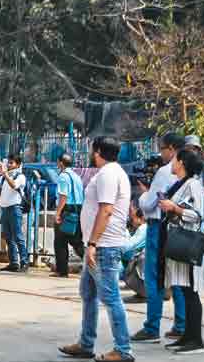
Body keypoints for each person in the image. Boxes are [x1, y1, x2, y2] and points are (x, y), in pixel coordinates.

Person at [59, 136, 134, 362]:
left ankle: (123, 349)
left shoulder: (109, 174)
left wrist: (92, 244)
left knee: (110, 297)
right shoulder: (111, 173)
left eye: (93, 151)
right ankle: (85, 343)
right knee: (89, 293)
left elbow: (106, 210)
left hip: (103, 247)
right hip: (99, 245)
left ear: (99, 151)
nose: (92, 155)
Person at [133, 132, 186, 344]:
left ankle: (151, 327)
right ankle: (181, 325)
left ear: (171, 149)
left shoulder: (165, 172)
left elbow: (148, 204)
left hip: (159, 227)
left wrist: (145, 192)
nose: (161, 152)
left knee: (154, 277)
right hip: (179, 228)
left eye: (162, 148)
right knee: (179, 278)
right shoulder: (191, 172)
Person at [159, 149, 204, 354]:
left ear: (181, 162)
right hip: (179, 242)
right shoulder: (182, 183)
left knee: (191, 292)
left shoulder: (194, 184)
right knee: (185, 290)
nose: (171, 162)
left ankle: (196, 340)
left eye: (174, 159)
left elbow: (197, 215)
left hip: (189, 245)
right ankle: (187, 335)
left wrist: (174, 208)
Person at [54, 153, 85, 277]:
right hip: (78, 209)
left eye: (57, 162)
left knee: (60, 241)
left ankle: (62, 271)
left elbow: (63, 196)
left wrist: (58, 213)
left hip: (66, 209)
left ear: (61, 163)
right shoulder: (76, 176)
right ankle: (93, 262)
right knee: (76, 240)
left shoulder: (63, 176)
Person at [0, 155, 28, 272]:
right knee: (8, 237)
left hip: (15, 209)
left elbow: (14, 185)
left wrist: (5, 174)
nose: (9, 165)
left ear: (18, 165)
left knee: (18, 236)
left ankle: (24, 262)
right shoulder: (4, 177)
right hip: (4, 209)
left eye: (12, 163)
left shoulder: (20, 176)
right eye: (8, 163)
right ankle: (13, 262)